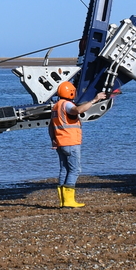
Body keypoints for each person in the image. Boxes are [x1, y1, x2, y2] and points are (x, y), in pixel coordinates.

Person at [49, 80, 89, 208]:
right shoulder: (66, 105)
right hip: (71, 142)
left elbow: (51, 126)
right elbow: (77, 110)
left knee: (64, 170)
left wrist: (53, 139)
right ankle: (69, 201)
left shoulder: (56, 106)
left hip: (60, 142)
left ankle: (62, 201)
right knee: (75, 170)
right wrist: (94, 100)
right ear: (71, 92)